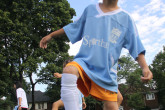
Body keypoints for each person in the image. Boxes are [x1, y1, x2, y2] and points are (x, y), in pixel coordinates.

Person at [40, 0, 153, 109]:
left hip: (106, 71)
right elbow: (73, 26)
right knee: (69, 70)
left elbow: (136, 46)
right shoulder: (90, 10)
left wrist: (145, 68)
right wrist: (51, 35)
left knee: (112, 105)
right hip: (84, 62)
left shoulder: (126, 19)